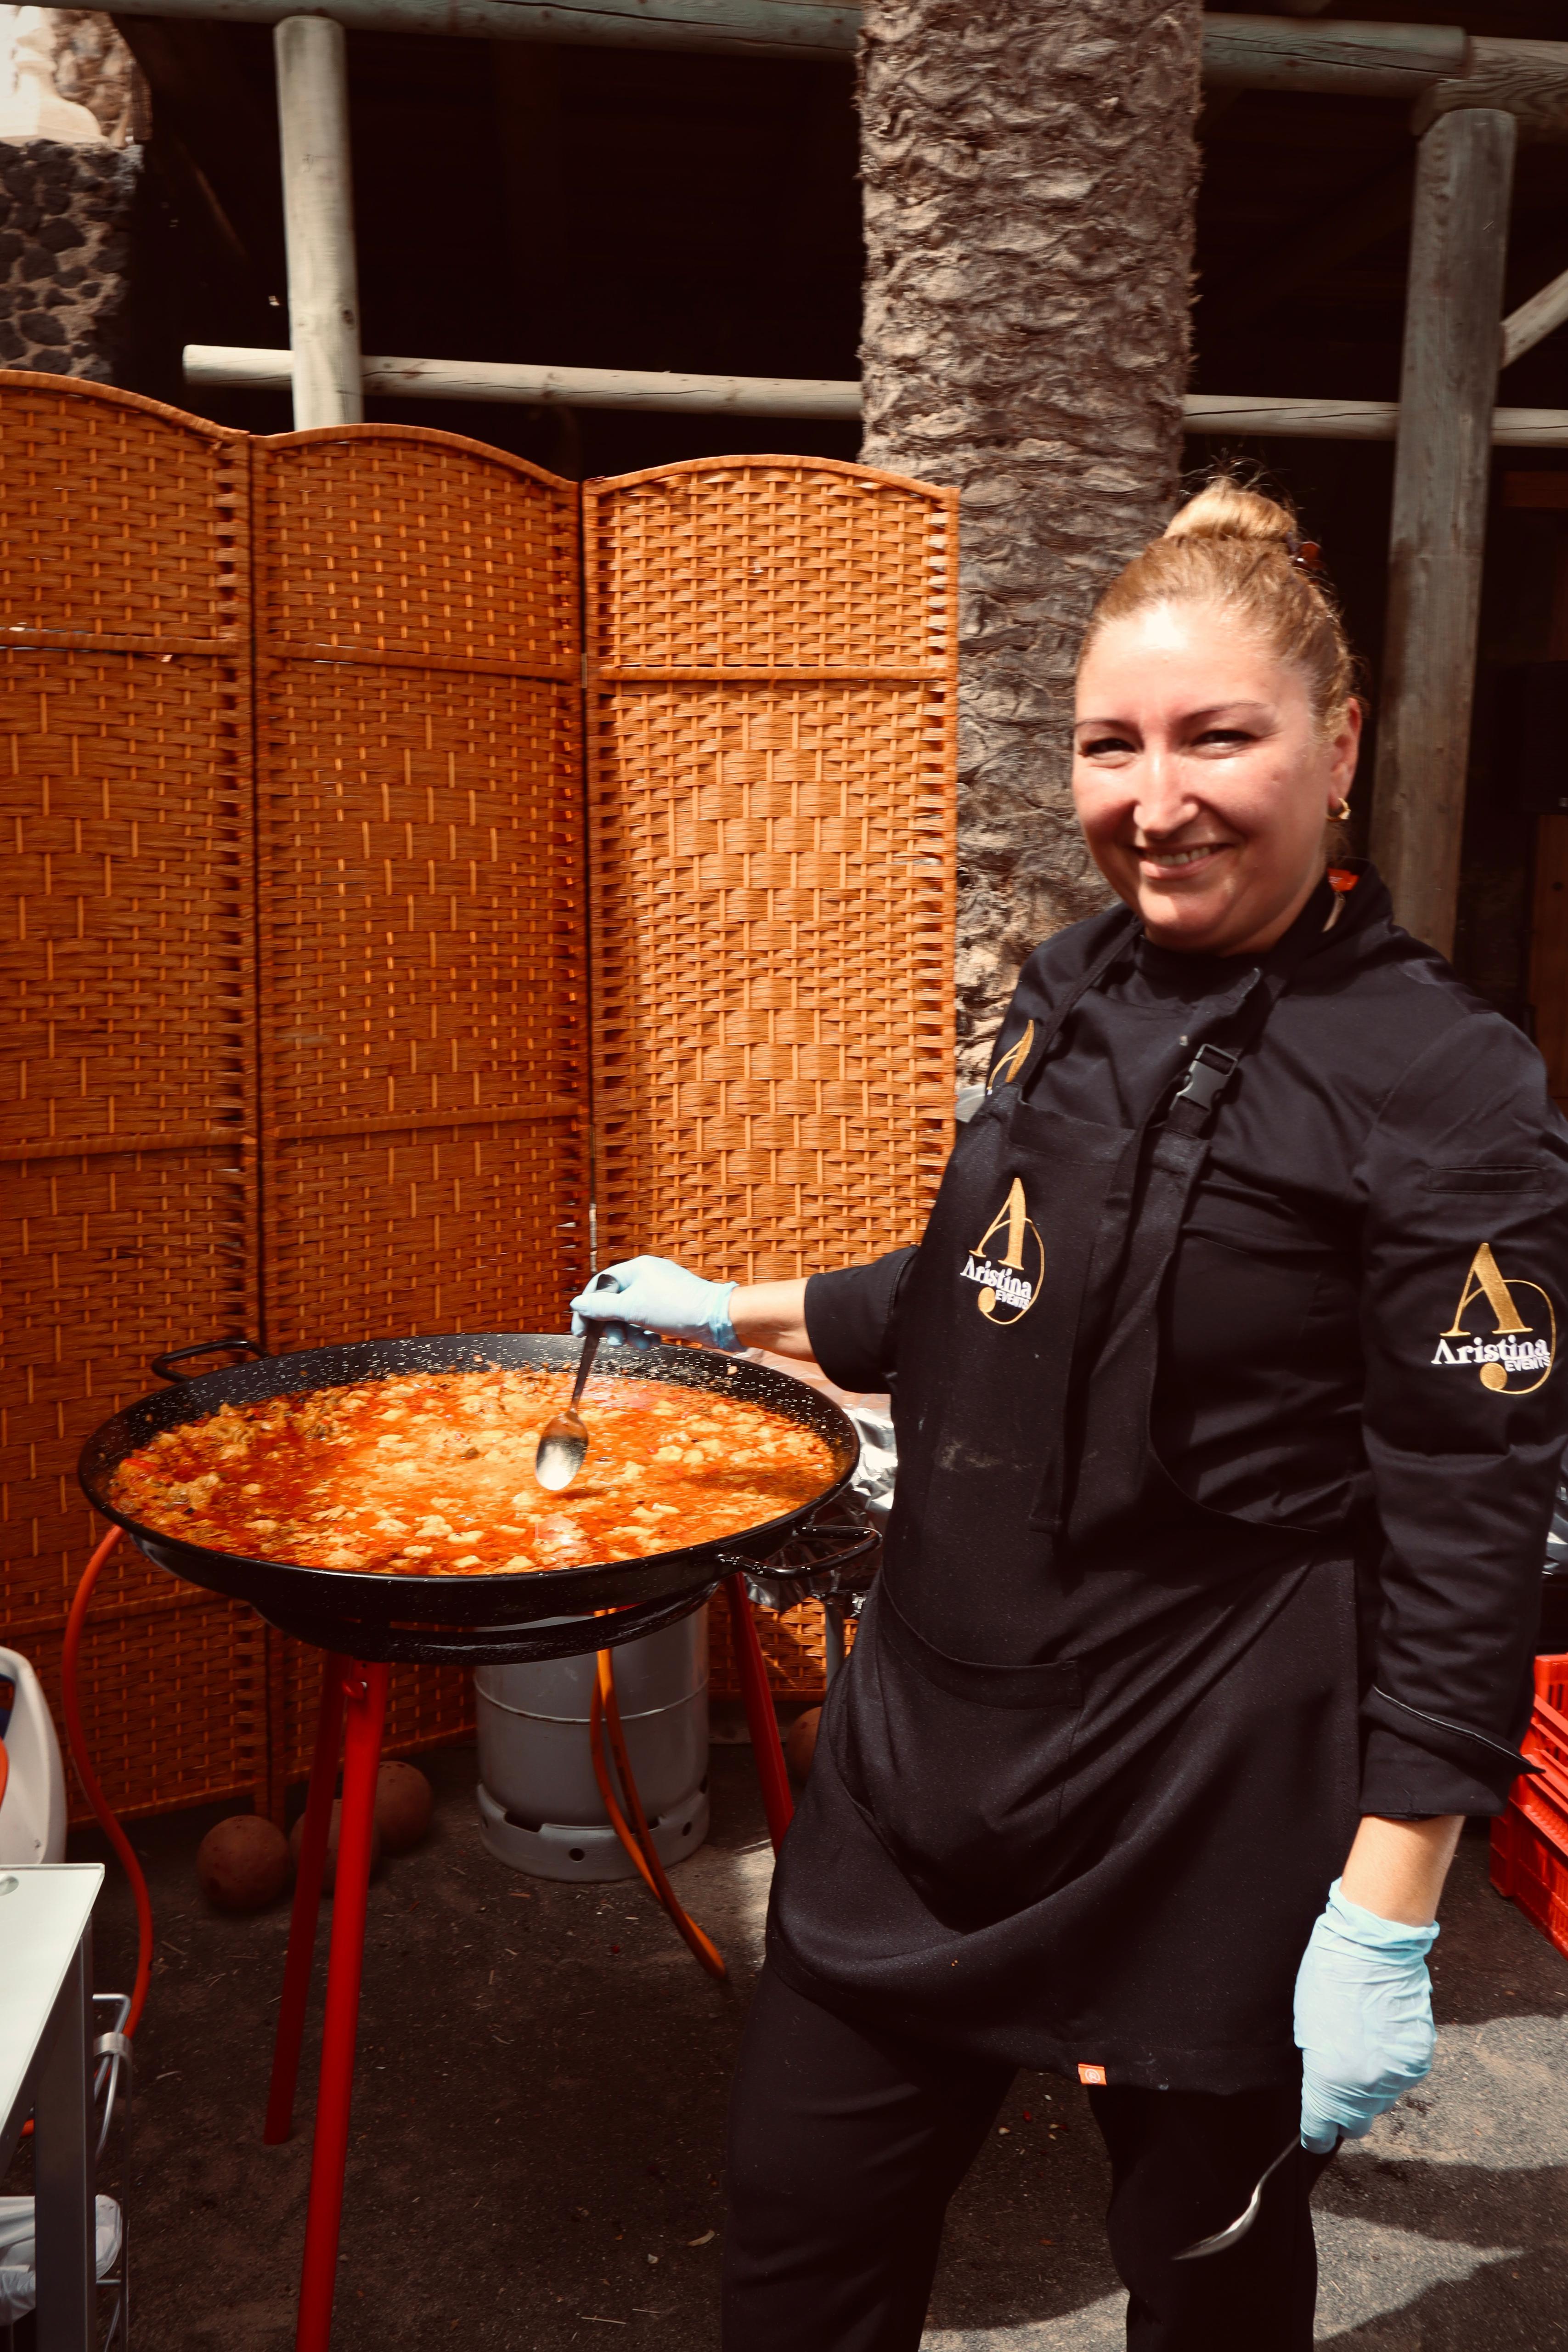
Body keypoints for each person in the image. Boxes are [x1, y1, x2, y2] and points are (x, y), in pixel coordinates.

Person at [570, 481, 1568, 2350]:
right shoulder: (1073, 980)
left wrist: (1385, 1902)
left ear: (1335, 744)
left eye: (1218, 737)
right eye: (1111, 742)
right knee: (794, 2249)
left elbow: (1465, 1513)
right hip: (925, 1752)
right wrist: (742, 1306)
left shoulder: (1437, 1077)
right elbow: (988, 1276)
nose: (1153, 795)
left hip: (1200, 1794)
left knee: (1202, 2293)